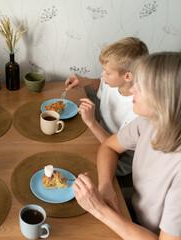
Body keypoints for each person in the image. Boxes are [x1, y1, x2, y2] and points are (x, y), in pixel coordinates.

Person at [73, 52, 181, 239]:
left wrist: (99, 209)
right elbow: (109, 147)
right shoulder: (148, 122)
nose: (132, 90)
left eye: (143, 86)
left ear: (165, 98)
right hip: (133, 215)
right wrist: (106, 186)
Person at [65, 37, 149, 176]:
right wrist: (85, 81)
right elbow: (102, 86)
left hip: (117, 159)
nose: (102, 74)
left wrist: (91, 122)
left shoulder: (139, 110)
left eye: (107, 72)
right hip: (99, 140)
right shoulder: (114, 83)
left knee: (72, 167)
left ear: (128, 76)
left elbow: (117, 151)